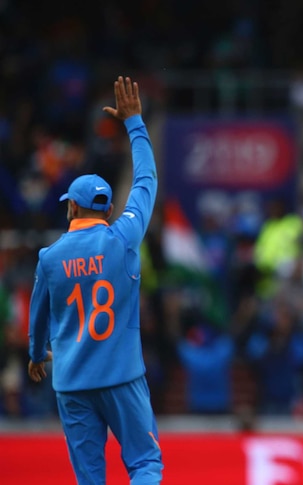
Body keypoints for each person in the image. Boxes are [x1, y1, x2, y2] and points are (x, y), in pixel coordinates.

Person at [28, 76, 163, 484]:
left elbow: (38, 317)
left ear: (71, 208)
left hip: (71, 383)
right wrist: (135, 123)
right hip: (123, 376)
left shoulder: (49, 259)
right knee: (145, 465)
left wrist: (37, 355)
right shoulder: (123, 237)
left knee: (90, 479)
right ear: (103, 211)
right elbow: (146, 181)